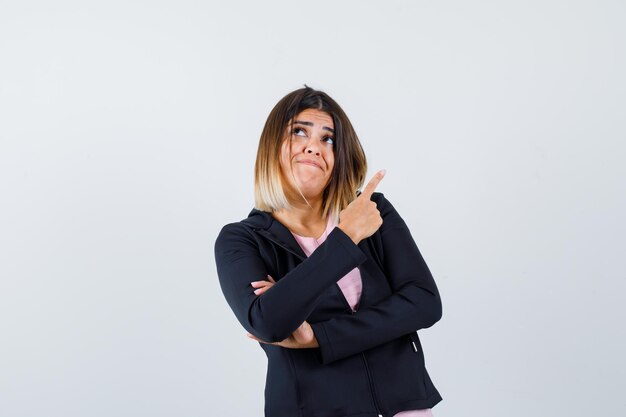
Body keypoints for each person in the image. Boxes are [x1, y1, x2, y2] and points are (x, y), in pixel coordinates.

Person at [214, 86, 443, 417]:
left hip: (404, 407)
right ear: (272, 147)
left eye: (328, 139)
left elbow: (424, 303)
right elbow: (269, 322)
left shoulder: (371, 211)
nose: (314, 147)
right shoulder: (241, 240)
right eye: (299, 132)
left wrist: (317, 335)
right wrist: (346, 238)